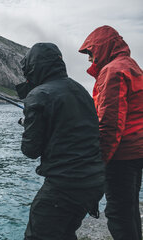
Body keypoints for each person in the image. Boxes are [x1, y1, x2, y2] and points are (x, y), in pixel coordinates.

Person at [16, 42, 105, 240]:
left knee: (38, 235)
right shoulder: (80, 90)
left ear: (34, 67)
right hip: (93, 182)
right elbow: (70, 129)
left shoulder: (38, 96)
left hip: (66, 184)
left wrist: (29, 124)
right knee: (64, 233)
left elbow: (30, 150)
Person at [79, 25, 143, 240]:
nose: (89, 59)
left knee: (117, 212)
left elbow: (110, 124)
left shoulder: (112, 71)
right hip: (137, 150)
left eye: (91, 52)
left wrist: (99, 161)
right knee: (130, 207)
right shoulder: (132, 66)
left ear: (103, 47)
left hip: (121, 154)